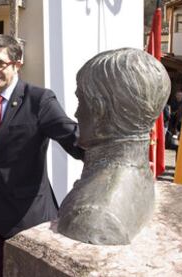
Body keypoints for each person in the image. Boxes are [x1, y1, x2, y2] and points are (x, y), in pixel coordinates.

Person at [0, 34, 84, 277]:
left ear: (17, 63)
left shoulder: (39, 99)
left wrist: (111, 152)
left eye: (0, 63)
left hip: (28, 215)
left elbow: (72, 137)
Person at [57, 48, 171, 245]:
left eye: (80, 101)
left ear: (99, 111)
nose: (76, 113)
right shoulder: (142, 175)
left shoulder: (92, 216)